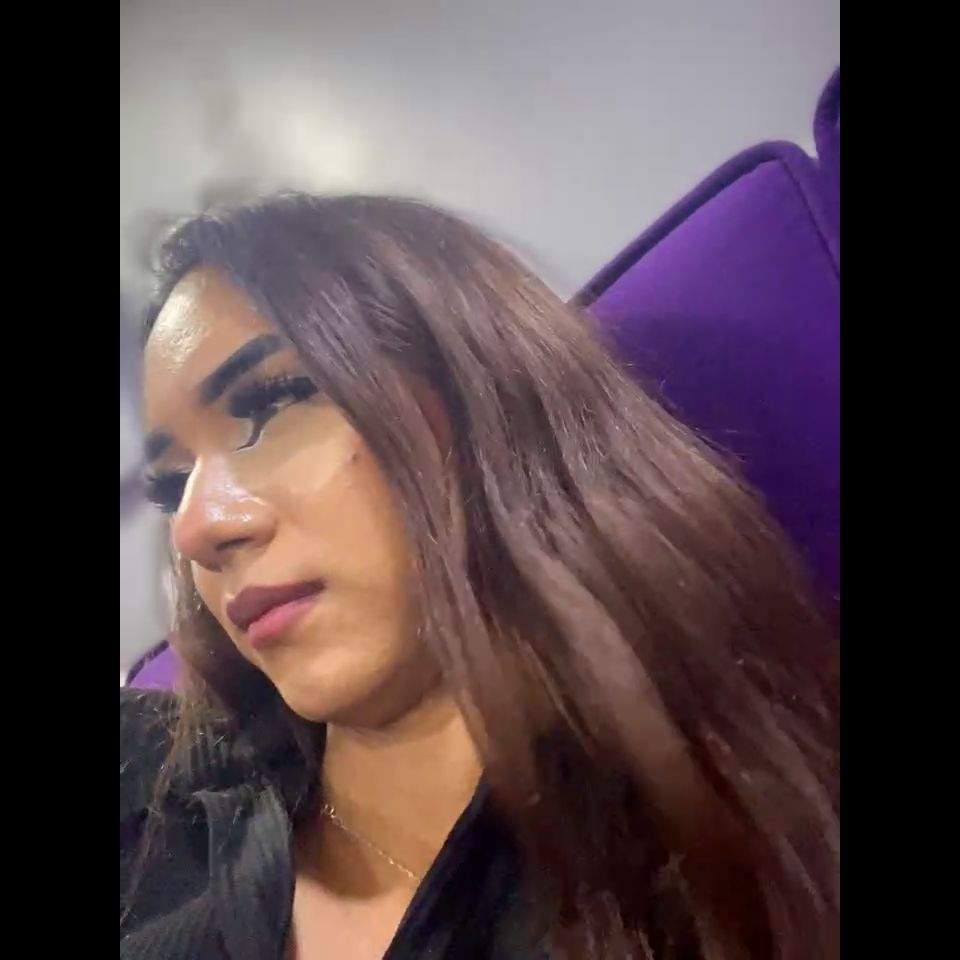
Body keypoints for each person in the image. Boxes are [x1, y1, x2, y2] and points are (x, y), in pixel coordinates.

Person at [120, 194, 839, 960]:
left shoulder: (733, 847)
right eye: (171, 486)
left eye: (271, 401)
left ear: (479, 387)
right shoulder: (153, 776)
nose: (196, 530)